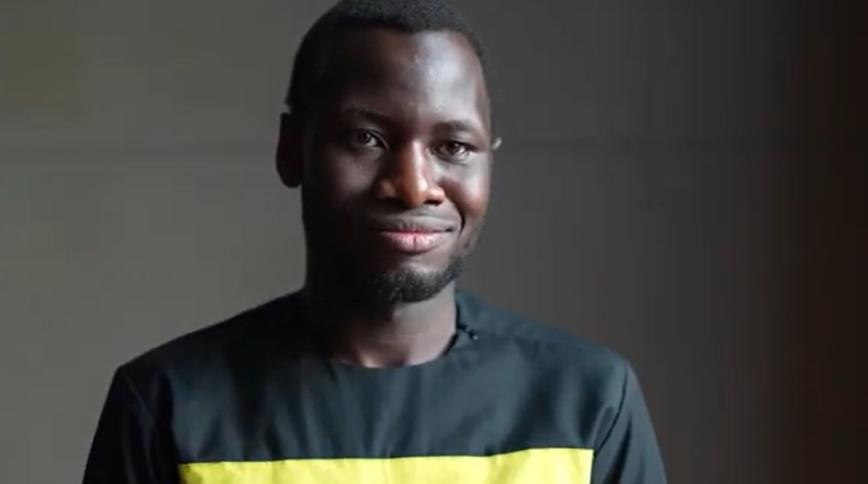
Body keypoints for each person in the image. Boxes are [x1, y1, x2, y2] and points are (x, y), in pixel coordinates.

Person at [82, 0, 667, 482]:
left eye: (454, 147)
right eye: (367, 137)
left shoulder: (587, 402)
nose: (414, 185)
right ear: (293, 149)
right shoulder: (168, 405)